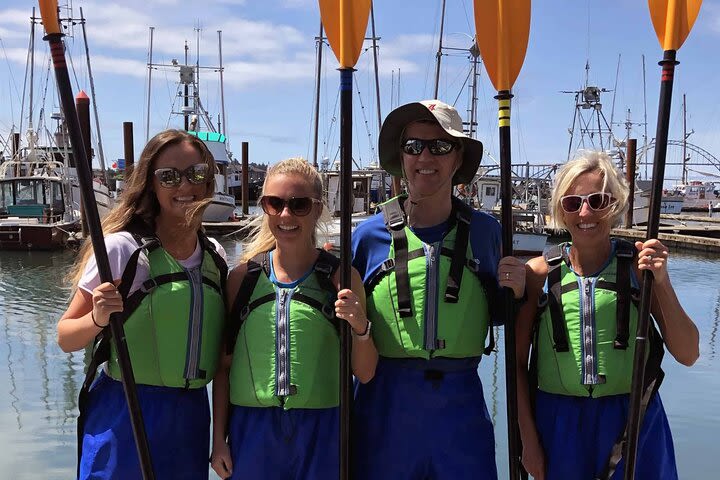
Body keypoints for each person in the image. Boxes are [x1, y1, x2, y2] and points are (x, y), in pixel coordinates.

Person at [351, 99, 526, 479]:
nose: (424, 156)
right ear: (401, 156)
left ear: (457, 156)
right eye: (413, 146)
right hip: (384, 410)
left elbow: (506, 316)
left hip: (460, 411)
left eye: (440, 146)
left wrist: (520, 289)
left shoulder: (487, 233)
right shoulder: (366, 238)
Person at [515, 151, 700, 480]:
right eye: (573, 203)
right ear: (560, 209)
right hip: (560, 426)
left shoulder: (639, 271)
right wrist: (527, 440)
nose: (585, 212)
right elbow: (516, 365)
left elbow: (688, 354)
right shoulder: (538, 275)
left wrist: (662, 281)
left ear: (615, 205)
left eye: (597, 200)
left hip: (632, 424)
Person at [58, 129, 228, 479]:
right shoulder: (122, 249)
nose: (184, 186)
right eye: (169, 176)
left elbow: (224, 356)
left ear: (209, 179)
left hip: (190, 418)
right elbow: (66, 337)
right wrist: (97, 317)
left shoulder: (217, 257)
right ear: (152, 185)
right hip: (125, 413)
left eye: (196, 173)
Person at [211, 158, 378, 480]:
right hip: (252, 429)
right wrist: (219, 440)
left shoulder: (342, 278)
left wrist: (360, 327)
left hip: (324, 427)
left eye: (299, 205)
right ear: (265, 208)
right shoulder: (242, 278)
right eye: (274, 204)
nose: (285, 215)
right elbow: (224, 367)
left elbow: (366, 373)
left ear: (317, 209)